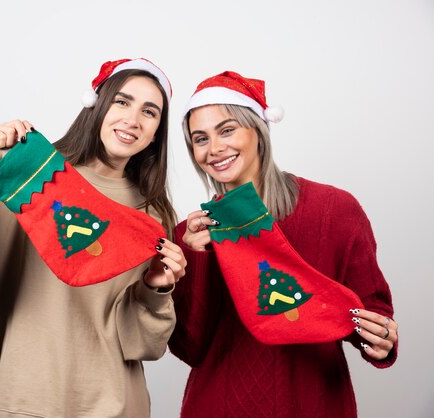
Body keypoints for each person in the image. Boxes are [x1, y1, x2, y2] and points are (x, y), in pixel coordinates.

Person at [0, 58, 187, 418]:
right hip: (27, 396)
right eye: (122, 102)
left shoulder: (152, 214)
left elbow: (142, 343)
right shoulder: (34, 177)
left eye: (150, 112)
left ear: (157, 132)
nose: (132, 119)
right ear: (96, 105)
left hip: (115, 402)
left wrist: (155, 291)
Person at [168, 71, 398, 418]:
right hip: (218, 406)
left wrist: (378, 340)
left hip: (314, 404)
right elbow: (190, 348)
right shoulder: (189, 234)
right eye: (200, 139)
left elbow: (371, 312)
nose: (214, 148)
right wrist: (195, 259)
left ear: (258, 130)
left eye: (226, 130)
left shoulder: (334, 210)